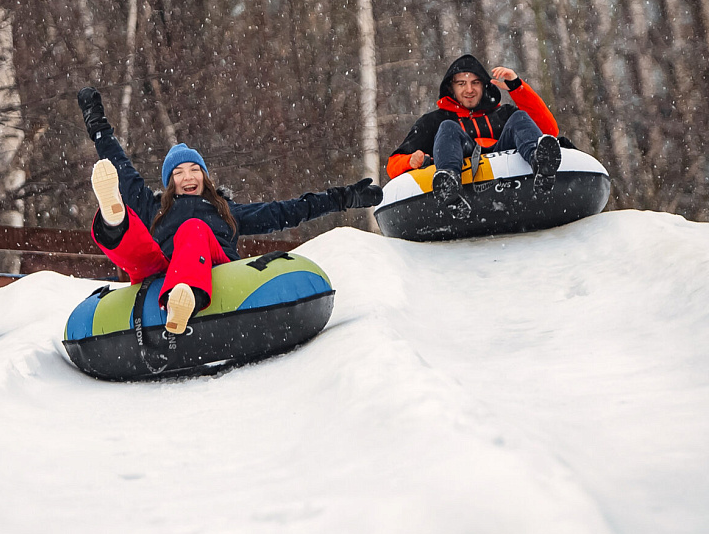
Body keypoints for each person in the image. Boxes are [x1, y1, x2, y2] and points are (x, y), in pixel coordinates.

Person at [77, 86, 383, 334]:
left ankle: (186, 298)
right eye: (179, 172)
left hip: (214, 266)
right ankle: (113, 217)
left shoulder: (224, 210)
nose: (188, 177)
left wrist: (343, 198)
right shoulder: (154, 207)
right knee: (137, 243)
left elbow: (287, 210)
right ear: (170, 181)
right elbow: (122, 167)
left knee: (194, 229)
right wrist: (98, 126)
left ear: (205, 176)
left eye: (195, 169)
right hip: (161, 270)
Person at [386, 54, 561, 217]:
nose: (469, 90)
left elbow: (549, 131)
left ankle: (541, 166)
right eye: (461, 84)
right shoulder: (433, 121)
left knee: (520, 117)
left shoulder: (503, 113)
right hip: (460, 155)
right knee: (447, 127)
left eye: (475, 83)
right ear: (451, 88)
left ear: (484, 85)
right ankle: (449, 184)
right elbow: (393, 163)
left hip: (503, 151)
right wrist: (410, 161)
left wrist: (517, 87)